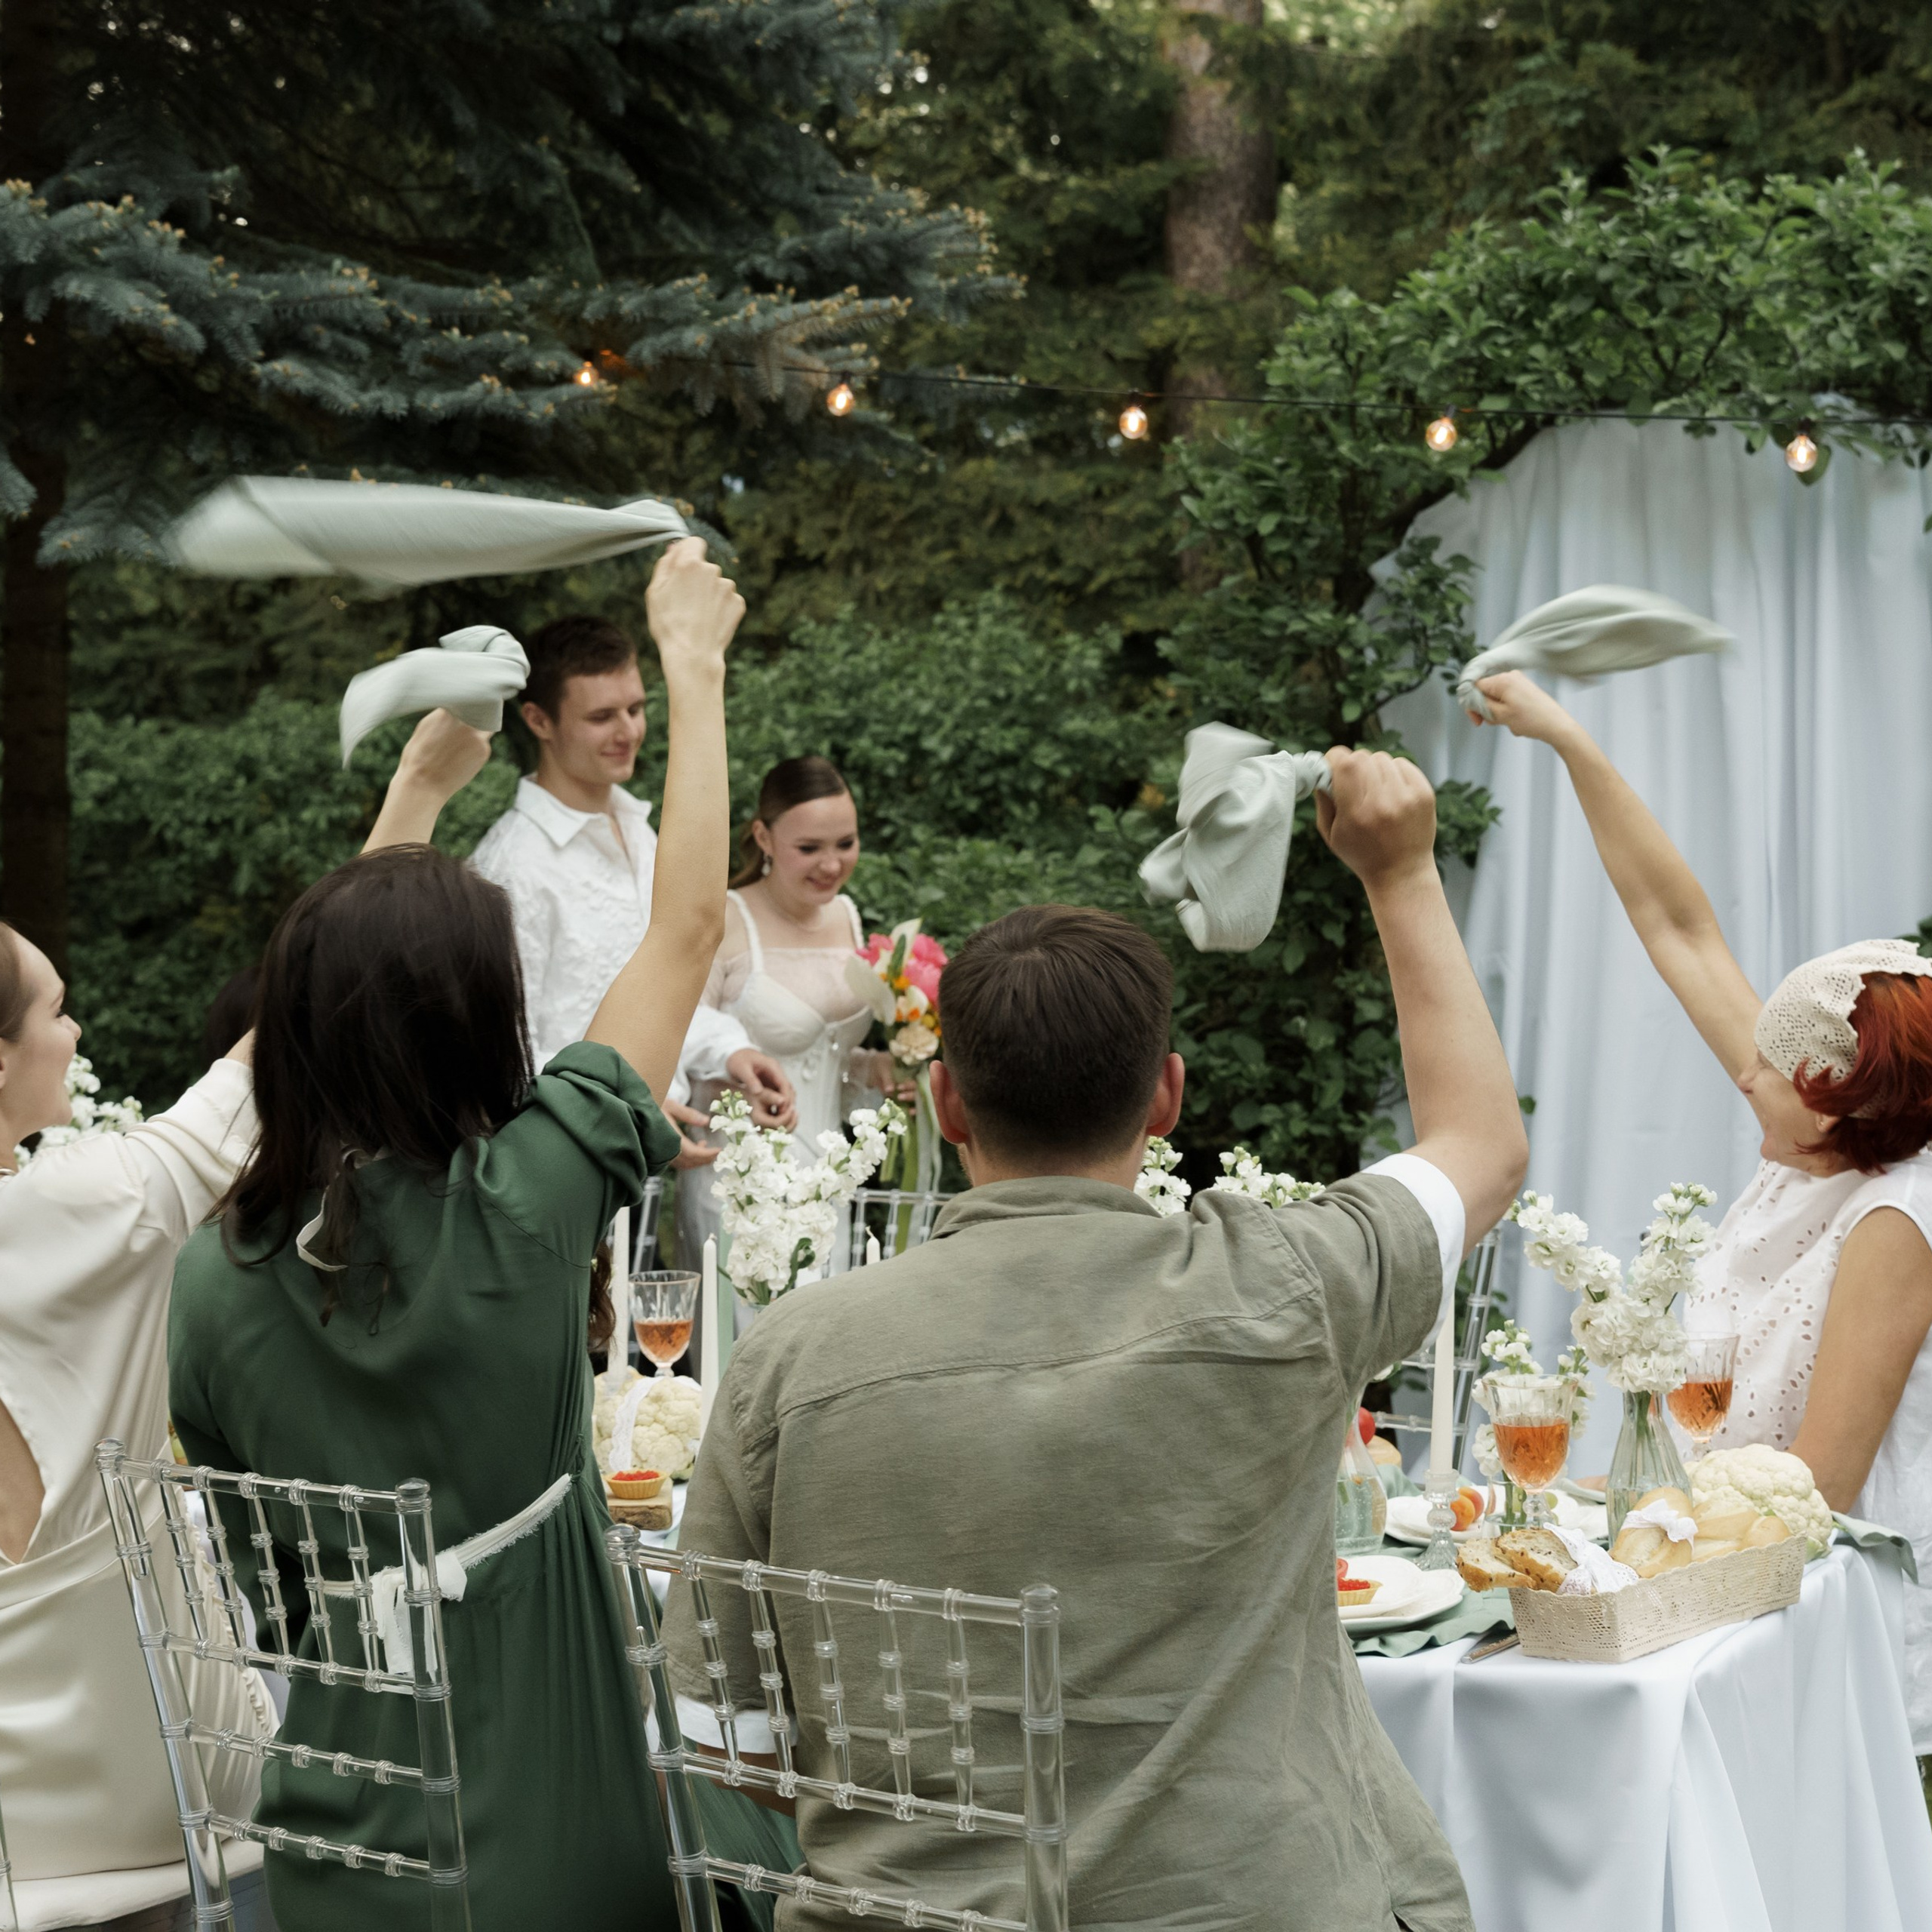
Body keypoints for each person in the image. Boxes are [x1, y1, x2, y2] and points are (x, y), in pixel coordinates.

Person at [665, 749, 1529, 1930]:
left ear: (946, 1104)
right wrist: (1401, 871)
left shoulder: (789, 1357)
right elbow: (1484, 1142)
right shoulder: (1291, 1282)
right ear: (1166, 1099)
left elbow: (735, 1747)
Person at [168, 540, 795, 1932]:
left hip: (331, 1871)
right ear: (482, 1023)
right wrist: (691, 660)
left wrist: (415, 797)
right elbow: (689, 926)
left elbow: (273, 1604)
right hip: (560, 1863)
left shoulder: (209, 1279)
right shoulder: (530, 1199)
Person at [1471, 669, 1932, 1746]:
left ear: (1835, 1098)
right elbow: (1676, 925)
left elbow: (1812, 1493)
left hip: (1823, 1632)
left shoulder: (1896, 1221)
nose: (1742, 1075)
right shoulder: (1815, 1141)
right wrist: (1567, 740)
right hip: (1722, 1583)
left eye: (1772, 1069)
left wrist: (1610, 1533)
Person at [0, 936, 272, 1900]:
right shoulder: (94, 1203)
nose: (75, 1031)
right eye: (58, 1007)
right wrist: (413, 792)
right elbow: (275, 1037)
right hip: (158, 1772)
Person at [470, 614, 798, 1185]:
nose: (628, 731)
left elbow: (666, 993)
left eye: (636, 708)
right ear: (538, 720)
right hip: (553, 1174)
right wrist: (629, 1103)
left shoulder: (645, 835)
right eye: (601, 716)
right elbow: (499, 1053)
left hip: (643, 1172)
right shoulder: (509, 870)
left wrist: (730, 1052)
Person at [675, 757, 912, 1264]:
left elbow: (830, 1055)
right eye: (809, 848)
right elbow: (677, 1038)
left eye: (846, 844)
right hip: (740, 1191)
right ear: (763, 837)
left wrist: (879, 1069)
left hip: (832, 1186)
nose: (832, 865)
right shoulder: (725, 919)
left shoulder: (848, 915)